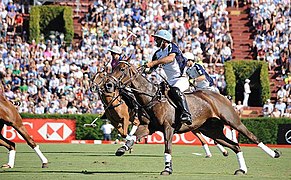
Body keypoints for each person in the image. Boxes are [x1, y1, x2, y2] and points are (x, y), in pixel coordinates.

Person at [146, 29, 192, 125]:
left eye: (158, 39)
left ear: (164, 40)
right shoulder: (157, 53)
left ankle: (186, 114)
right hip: (169, 80)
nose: (156, 41)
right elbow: (151, 69)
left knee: (175, 90)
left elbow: (170, 58)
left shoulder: (172, 47)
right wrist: (144, 68)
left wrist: (154, 63)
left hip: (181, 78)